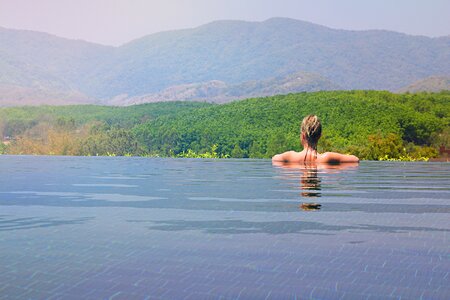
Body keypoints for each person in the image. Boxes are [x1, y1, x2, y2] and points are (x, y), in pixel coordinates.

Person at [272, 115, 359, 164]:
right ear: (319, 136)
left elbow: (274, 158)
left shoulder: (290, 156)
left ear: (302, 136)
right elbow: (355, 159)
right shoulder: (327, 158)